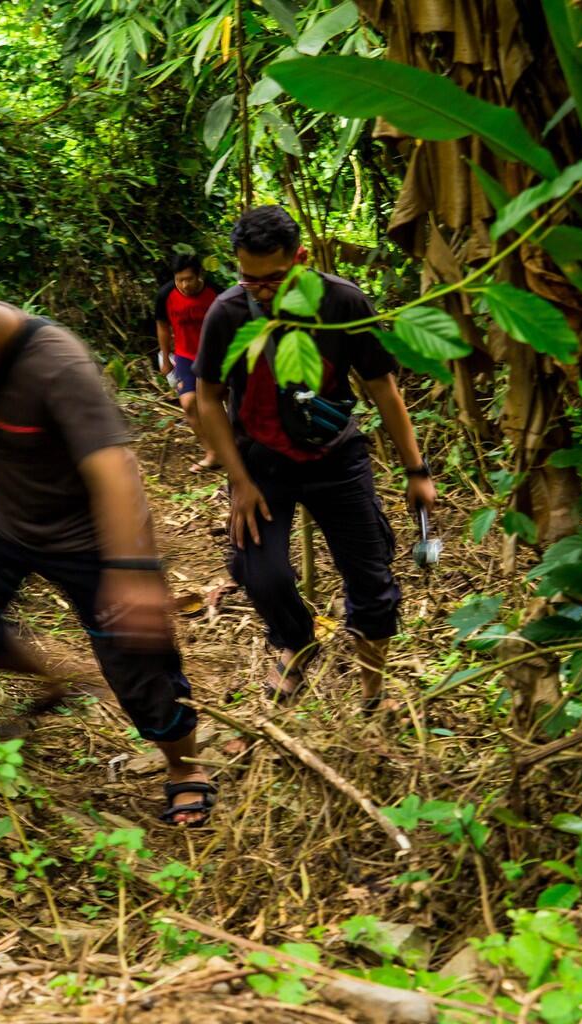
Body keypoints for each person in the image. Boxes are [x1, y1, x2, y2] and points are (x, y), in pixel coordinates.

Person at [0, 265, 216, 826]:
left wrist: (131, 571)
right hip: (9, 523)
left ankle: (185, 768)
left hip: (88, 539)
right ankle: (57, 676)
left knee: (138, 665)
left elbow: (115, 468)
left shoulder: (57, 364)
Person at [195, 206, 436, 709]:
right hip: (261, 462)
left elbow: (383, 390)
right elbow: (208, 396)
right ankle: (296, 637)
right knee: (260, 573)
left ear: (300, 259)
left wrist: (417, 471)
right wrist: (239, 480)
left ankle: (373, 694)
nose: (260, 289)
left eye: (274, 279)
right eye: (249, 279)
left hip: (336, 459)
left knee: (370, 581)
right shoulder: (228, 313)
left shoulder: (342, 301)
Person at [155, 252, 219, 472]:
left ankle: (238, 447)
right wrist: (166, 359)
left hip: (215, 355)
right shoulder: (165, 295)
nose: (184, 284)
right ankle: (211, 453)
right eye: (179, 279)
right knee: (189, 403)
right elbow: (163, 326)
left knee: (226, 400)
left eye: (188, 279)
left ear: (199, 275)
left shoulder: (215, 291)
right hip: (185, 356)